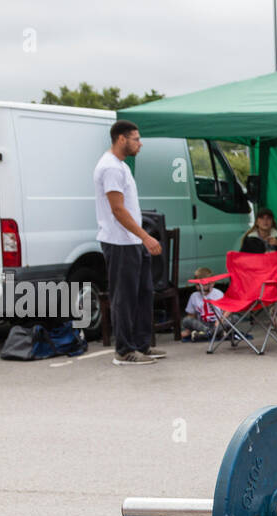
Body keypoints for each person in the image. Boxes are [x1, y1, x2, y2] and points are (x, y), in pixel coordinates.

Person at [93, 120, 166, 365]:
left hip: (133, 241)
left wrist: (140, 237)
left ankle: (142, 345)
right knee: (124, 298)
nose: (140, 143)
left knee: (144, 293)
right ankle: (124, 351)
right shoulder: (110, 167)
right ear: (121, 139)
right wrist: (145, 235)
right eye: (136, 138)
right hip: (119, 242)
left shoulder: (121, 166)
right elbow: (117, 209)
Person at [181, 267, 223, 342]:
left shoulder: (219, 294)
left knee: (234, 318)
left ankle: (206, 334)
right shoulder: (194, 296)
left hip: (217, 323)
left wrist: (220, 321)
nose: (201, 288)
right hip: (202, 325)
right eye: (198, 285)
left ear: (212, 283)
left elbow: (226, 311)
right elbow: (191, 315)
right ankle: (211, 333)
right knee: (186, 320)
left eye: (204, 285)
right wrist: (188, 329)